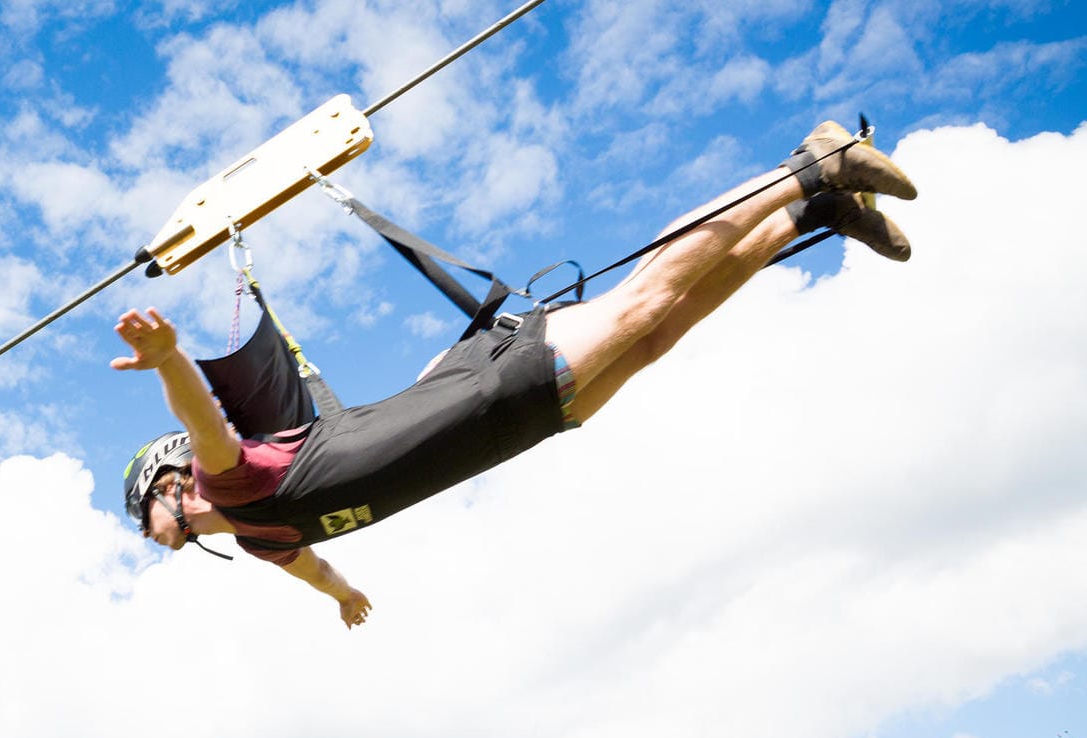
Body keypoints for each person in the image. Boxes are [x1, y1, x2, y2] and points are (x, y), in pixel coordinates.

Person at [115, 121, 916, 628]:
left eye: (139, 517)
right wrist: (343, 597)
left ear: (167, 486)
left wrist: (169, 361)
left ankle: (812, 166)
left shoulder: (229, 483)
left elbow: (207, 421)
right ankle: (809, 216)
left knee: (643, 303)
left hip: (489, 386)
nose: (146, 540)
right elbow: (314, 565)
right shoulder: (262, 540)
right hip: (515, 431)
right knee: (654, 338)